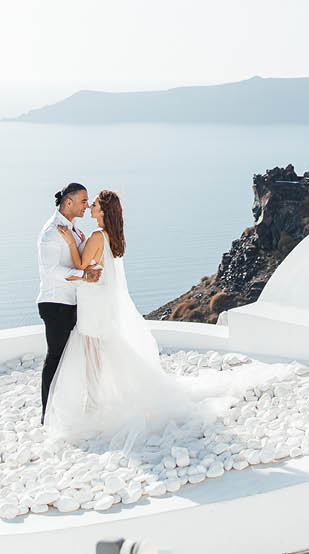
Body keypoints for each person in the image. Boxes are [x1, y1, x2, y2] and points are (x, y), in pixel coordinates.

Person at [45, 189, 291, 448]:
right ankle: (98, 401)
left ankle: (95, 404)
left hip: (92, 302)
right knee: (99, 353)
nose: (91, 206)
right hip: (99, 301)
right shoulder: (109, 237)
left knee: (93, 354)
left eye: (94, 204)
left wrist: (71, 243)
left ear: (103, 212)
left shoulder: (97, 236)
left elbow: (82, 267)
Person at [36, 182, 101, 422]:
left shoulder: (72, 230)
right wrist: (84, 276)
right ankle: (48, 415)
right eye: (84, 201)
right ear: (69, 202)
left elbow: (77, 259)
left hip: (70, 302)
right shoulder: (52, 232)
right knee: (55, 358)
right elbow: (52, 270)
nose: (87, 205)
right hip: (55, 304)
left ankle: (63, 410)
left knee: (69, 359)